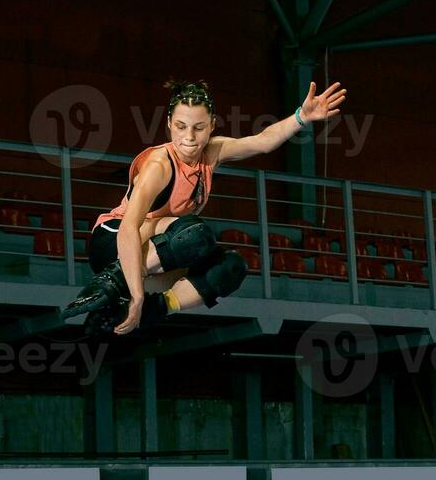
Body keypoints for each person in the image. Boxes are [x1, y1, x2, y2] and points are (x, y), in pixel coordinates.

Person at [61, 77, 348, 335]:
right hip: (114, 244)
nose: (189, 137)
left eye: (199, 128)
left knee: (229, 267)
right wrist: (135, 294)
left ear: (212, 125)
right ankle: (110, 284)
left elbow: (261, 142)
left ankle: (156, 308)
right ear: (169, 124)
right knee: (194, 235)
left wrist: (302, 116)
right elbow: (128, 229)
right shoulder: (159, 166)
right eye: (181, 127)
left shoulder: (212, 151)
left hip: (158, 252)